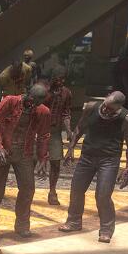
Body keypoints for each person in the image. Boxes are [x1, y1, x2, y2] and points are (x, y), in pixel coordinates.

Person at [59, 91, 128, 243]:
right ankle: (74, 221)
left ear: (119, 107)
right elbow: (79, 128)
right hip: (87, 156)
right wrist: (71, 148)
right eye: (105, 106)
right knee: (76, 189)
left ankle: (106, 229)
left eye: (110, 109)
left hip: (109, 160)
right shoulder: (91, 107)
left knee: (103, 195)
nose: (106, 110)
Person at [0, 84, 50, 238]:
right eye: (33, 101)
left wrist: (42, 157)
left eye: (38, 103)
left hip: (24, 152)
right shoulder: (10, 101)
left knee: (28, 189)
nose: (34, 105)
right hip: (3, 150)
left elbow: (44, 135)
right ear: (28, 94)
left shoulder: (43, 111)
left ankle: (22, 225)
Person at [42, 69, 74, 205]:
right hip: (40, 131)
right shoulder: (43, 91)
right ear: (53, 78)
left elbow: (66, 113)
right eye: (59, 79)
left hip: (55, 132)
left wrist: (69, 130)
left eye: (63, 79)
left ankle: (52, 191)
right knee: (32, 161)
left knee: (55, 162)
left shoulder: (66, 93)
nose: (61, 82)